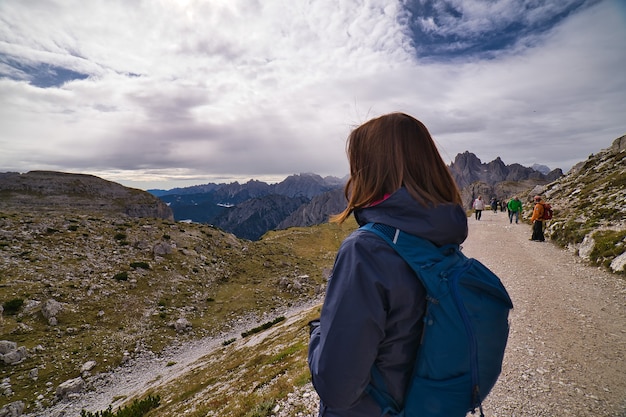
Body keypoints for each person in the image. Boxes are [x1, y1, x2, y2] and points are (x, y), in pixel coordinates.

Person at [307, 112, 468, 416]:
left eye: (356, 165)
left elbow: (337, 387)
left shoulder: (365, 250)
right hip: (427, 404)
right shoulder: (441, 236)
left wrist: (317, 333)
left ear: (371, 170)